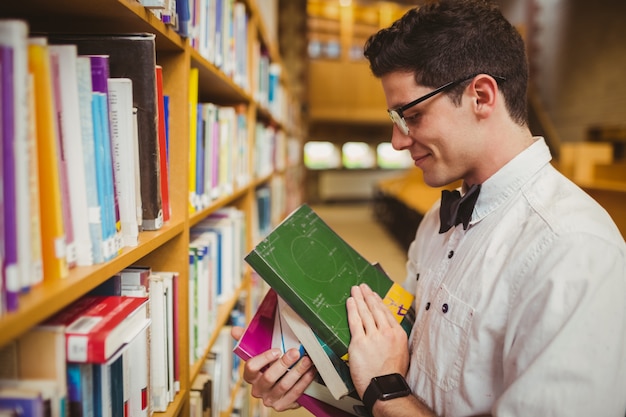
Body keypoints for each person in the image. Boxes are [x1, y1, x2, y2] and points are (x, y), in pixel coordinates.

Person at [231, 0, 626, 415]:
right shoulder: (435, 220)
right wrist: (320, 376)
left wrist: (384, 391)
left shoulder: (576, 251)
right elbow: (416, 362)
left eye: (412, 115)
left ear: (481, 95)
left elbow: (393, 387)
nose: (398, 141)